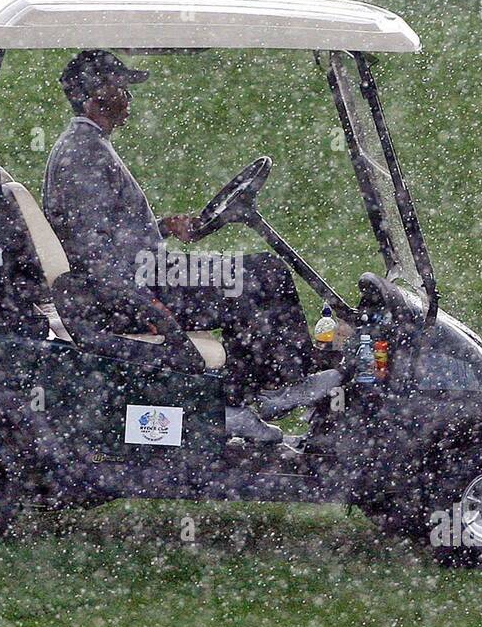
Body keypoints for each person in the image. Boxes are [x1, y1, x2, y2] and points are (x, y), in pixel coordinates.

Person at [42, 50, 332, 441]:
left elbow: (104, 232)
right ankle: (274, 387)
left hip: (141, 275)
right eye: (121, 88)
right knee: (264, 274)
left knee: (254, 276)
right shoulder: (84, 153)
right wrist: (143, 299)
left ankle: (241, 400)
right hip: (132, 289)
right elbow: (92, 251)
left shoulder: (85, 144)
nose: (129, 98)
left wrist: (160, 227)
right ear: (95, 95)